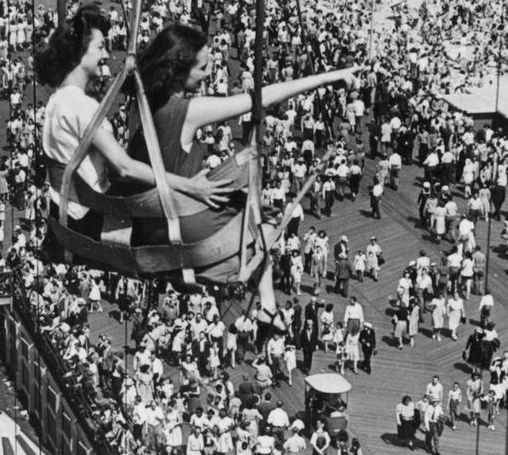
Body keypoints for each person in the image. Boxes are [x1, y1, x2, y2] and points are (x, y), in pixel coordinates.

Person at [122, 23, 356, 287]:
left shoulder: (139, 103)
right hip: (182, 226)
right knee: (267, 214)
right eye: (201, 67)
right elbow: (262, 97)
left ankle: (264, 298)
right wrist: (327, 77)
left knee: (248, 198)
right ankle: (265, 299)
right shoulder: (185, 110)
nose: (208, 73)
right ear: (178, 71)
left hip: (147, 225)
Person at [38, 7, 231, 242]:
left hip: (74, 209)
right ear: (79, 53)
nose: (107, 54)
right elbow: (124, 167)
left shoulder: (59, 100)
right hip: (87, 217)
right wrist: (188, 186)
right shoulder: (78, 105)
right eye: (100, 47)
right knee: (184, 218)